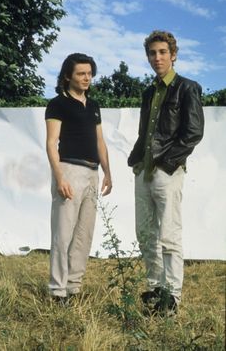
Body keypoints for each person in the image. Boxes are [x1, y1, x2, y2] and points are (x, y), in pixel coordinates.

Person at [128, 31, 204, 315]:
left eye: (162, 52)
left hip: (167, 171)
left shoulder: (187, 88)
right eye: (152, 53)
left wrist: (168, 164)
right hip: (143, 170)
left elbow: (193, 133)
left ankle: (172, 296)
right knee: (145, 232)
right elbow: (145, 132)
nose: (156, 58)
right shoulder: (149, 92)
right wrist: (137, 163)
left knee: (169, 235)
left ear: (173, 54)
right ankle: (155, 288)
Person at [45, 53, 112, 304]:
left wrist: (108, 172)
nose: (87, 78)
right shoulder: (57, 104)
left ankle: (73, 286)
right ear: (67, 76)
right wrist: (59, 177)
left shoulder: (93, 105)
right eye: (81, 74)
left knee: (84, 234)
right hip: (69, 171)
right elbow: (51, 143)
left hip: (92, 173)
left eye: (89, 73)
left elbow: (100, 141)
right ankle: (57, 290)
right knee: (63, 234)